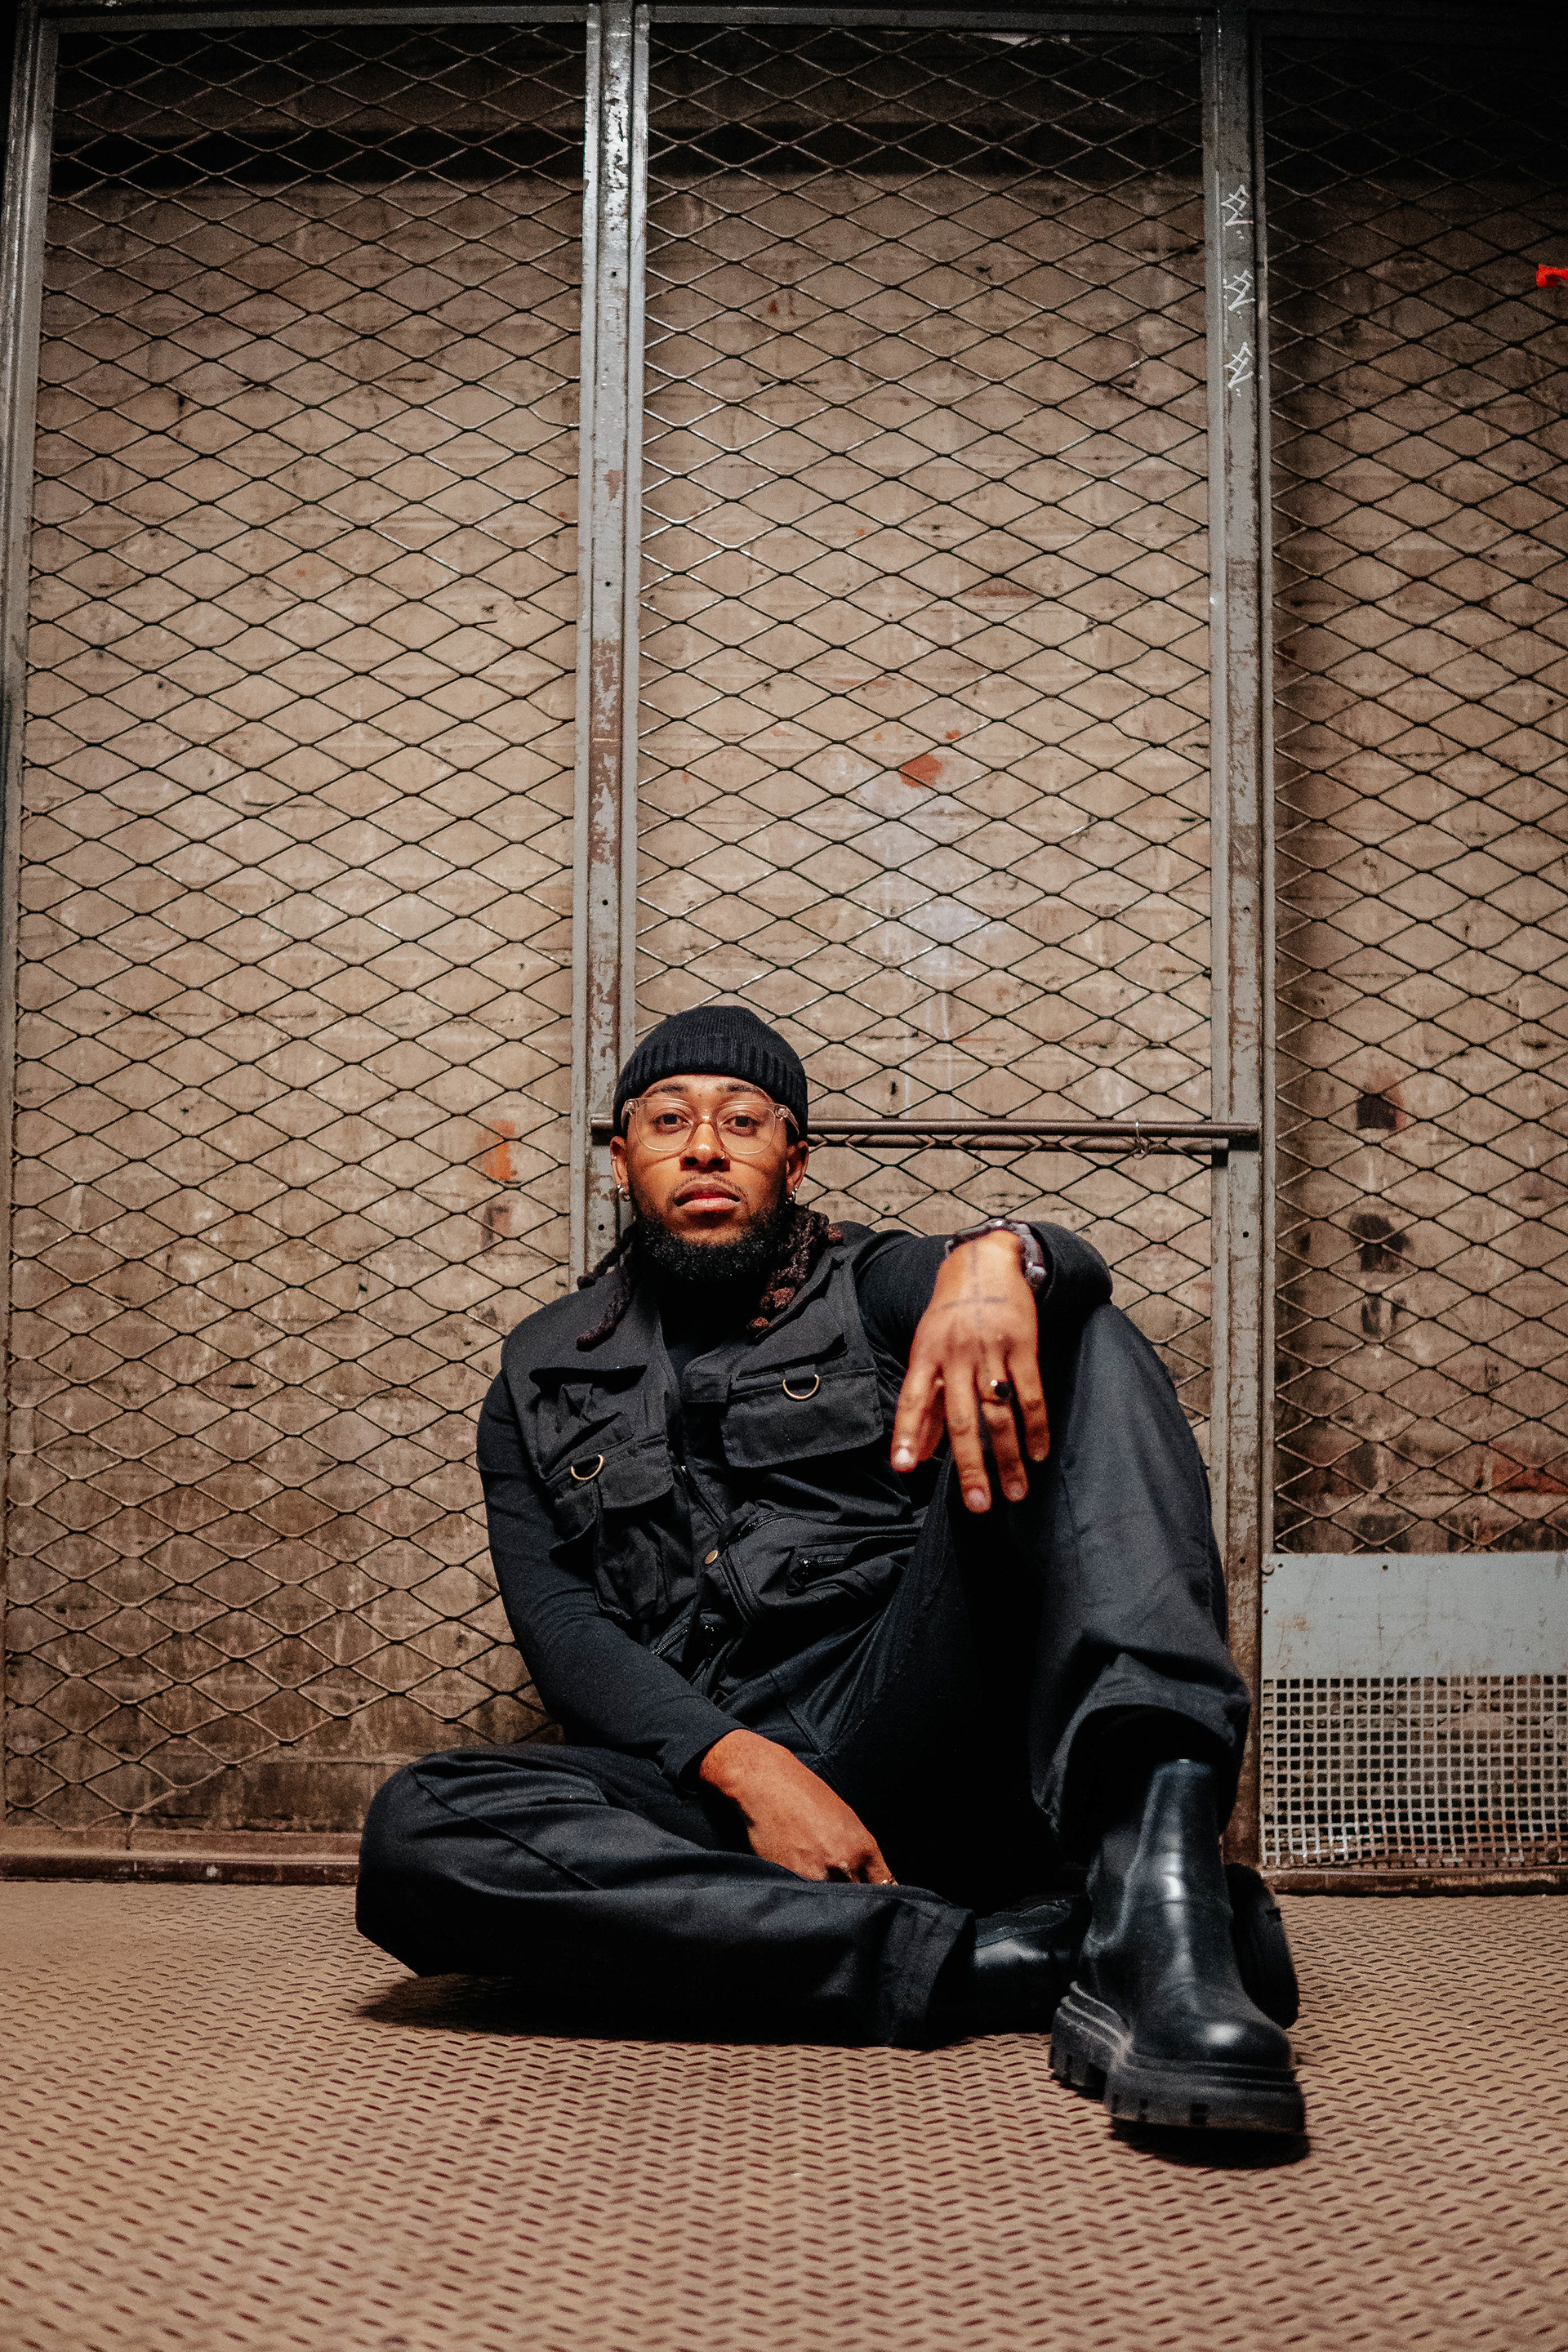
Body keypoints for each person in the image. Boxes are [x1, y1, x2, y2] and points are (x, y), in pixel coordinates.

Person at [359, 1005, 1303, 2136]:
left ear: (793, 1159)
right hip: (723, 1779)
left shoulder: (870, 1282)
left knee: (1076, 1330)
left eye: (742, 1121)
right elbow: (563, 1626)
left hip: (920, 1707)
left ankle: (1167, 1878)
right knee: (422, 1830)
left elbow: (1043, 1274)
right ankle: (1031, 1954)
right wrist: (751, 1772)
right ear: (621, 1158)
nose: (704, 1148)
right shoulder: (540, 1369)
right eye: (669, 1121)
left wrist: (1001, 1259)